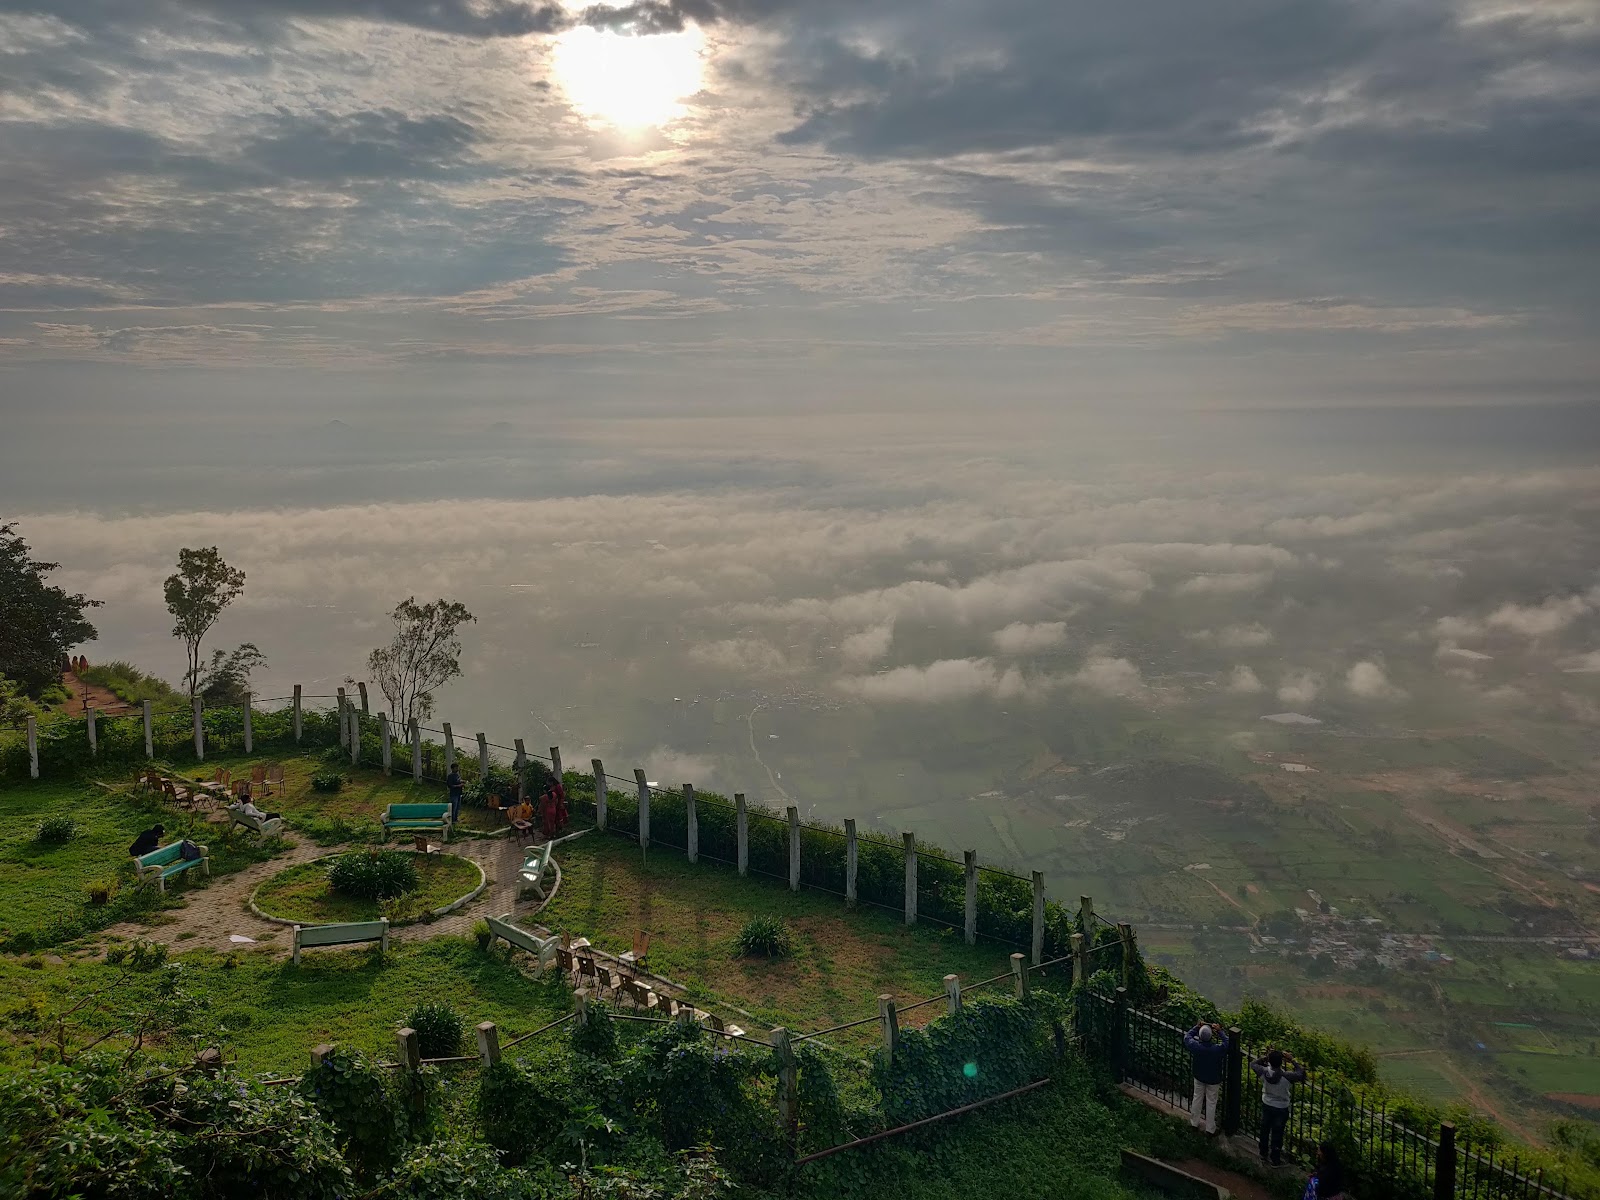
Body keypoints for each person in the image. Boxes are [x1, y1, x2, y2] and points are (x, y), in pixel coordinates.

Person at [1252, 1048, 1307, 1165]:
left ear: (1269, 1062)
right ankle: (1275, 1159)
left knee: (1264, 1129)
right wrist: (1292, 1060)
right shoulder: (1287, 1076)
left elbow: (1253, 1064)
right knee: (1278, 1133)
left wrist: (1266, 1058)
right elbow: (1301, 1074)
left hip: (1267, 1104)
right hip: (1281, 1107)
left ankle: (1263, 1153)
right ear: (1281, 1062)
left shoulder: (1263, 1072)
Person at [1183, 1023, 1229, 1134]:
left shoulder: (1196, 1047)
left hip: (1199, 1076)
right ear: (1211, 1037)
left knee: (1197, 1098)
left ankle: (1194, 1123)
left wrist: (1197, 1026)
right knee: (1211, 1102)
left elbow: (1187, 1037)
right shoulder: (1216, 1050)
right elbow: (1228, 1043)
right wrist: (1219, 1031)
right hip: (1213, 1079)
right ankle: (1210, 1129)